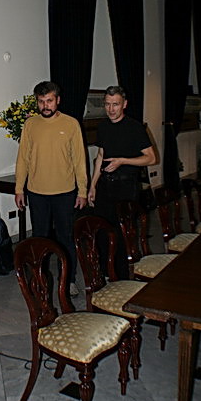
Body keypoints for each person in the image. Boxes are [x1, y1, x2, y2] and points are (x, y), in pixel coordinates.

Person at [15, 81, 87, 296]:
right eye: (41, 101)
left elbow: (79, 160)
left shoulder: (71, 124)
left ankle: (69, 280)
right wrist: (19, 189)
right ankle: (39, 280)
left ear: (58, 100)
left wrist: (82, 191)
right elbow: (23, 159)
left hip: (65, 192)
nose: (45, 106)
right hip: (37, 193)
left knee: (65, 239)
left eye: (49, 101)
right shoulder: (30, 125)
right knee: (39, 239)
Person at [88, 86, 156, 279]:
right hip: (105, 186)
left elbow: (151, 158)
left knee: (122, 233)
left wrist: (123, 161)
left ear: (124, 104)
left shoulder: (135, 127)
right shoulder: (103, 127)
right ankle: (105, 272)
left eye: (115, 104)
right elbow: (100, 156)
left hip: (126, 187)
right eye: (107, 104)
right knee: (102, 231)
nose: (111, 109)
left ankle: (124, 276)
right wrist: (92, 185)